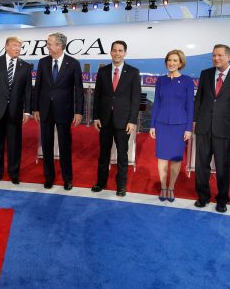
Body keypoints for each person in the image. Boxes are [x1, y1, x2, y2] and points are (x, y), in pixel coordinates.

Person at [193, 44, 230, 213]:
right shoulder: (205, 74)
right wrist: (195, 120)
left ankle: (222, 199)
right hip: (204, 127)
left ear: (229, 57)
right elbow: (199, 99)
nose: (216, 58)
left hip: (226, 130)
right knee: (201, 165)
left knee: (223, 167)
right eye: (213, 55)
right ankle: (203, 197)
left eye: (219, 55)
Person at [33, 32, 84, 190]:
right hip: (45, 111)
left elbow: (79, 90)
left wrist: (79, 112)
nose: (47, 46)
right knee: (46, 146)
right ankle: (49, 177)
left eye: (50, 43)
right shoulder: (43, 62)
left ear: (59, 46)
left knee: (65, 147)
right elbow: (38, 87)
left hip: (64, 111)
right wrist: (35, 108)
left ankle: (68, 179)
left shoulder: (73, 63)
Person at [91, 40, 141, 197]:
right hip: (105, 120)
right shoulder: (103, 71)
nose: (117, 53)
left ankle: (121, 186)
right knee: (104, 154)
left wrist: (132, 120)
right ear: (110, 52)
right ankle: (101, 182)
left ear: (125, 53)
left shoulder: (133, 72)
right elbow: (97, 96)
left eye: (120, 50)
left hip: (124, 121)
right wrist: (96, 117)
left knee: (122, 155)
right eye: (114, 50)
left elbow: (135, 98)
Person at [0, 36, 33, 185]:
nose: (17, 48)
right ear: (6, 47)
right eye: (15, 45)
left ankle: (14, 173)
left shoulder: (25, 66)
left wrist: (27, 111)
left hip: (15, 112)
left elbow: (28, 91)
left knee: (14, 145)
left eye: (19, 46)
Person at [148, 50, 194, 202]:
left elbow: (190, 106)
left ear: (181, 63)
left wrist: (188, 128)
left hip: (179, 126)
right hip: (162, 124)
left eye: (175, 60)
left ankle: (171, 187)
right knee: (161, 158)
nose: (171, 63)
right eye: (169, 60)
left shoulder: (187, 81)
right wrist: (152, 125)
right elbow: (156, 104)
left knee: (175, 159)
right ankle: (163, 187)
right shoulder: (161, 80)